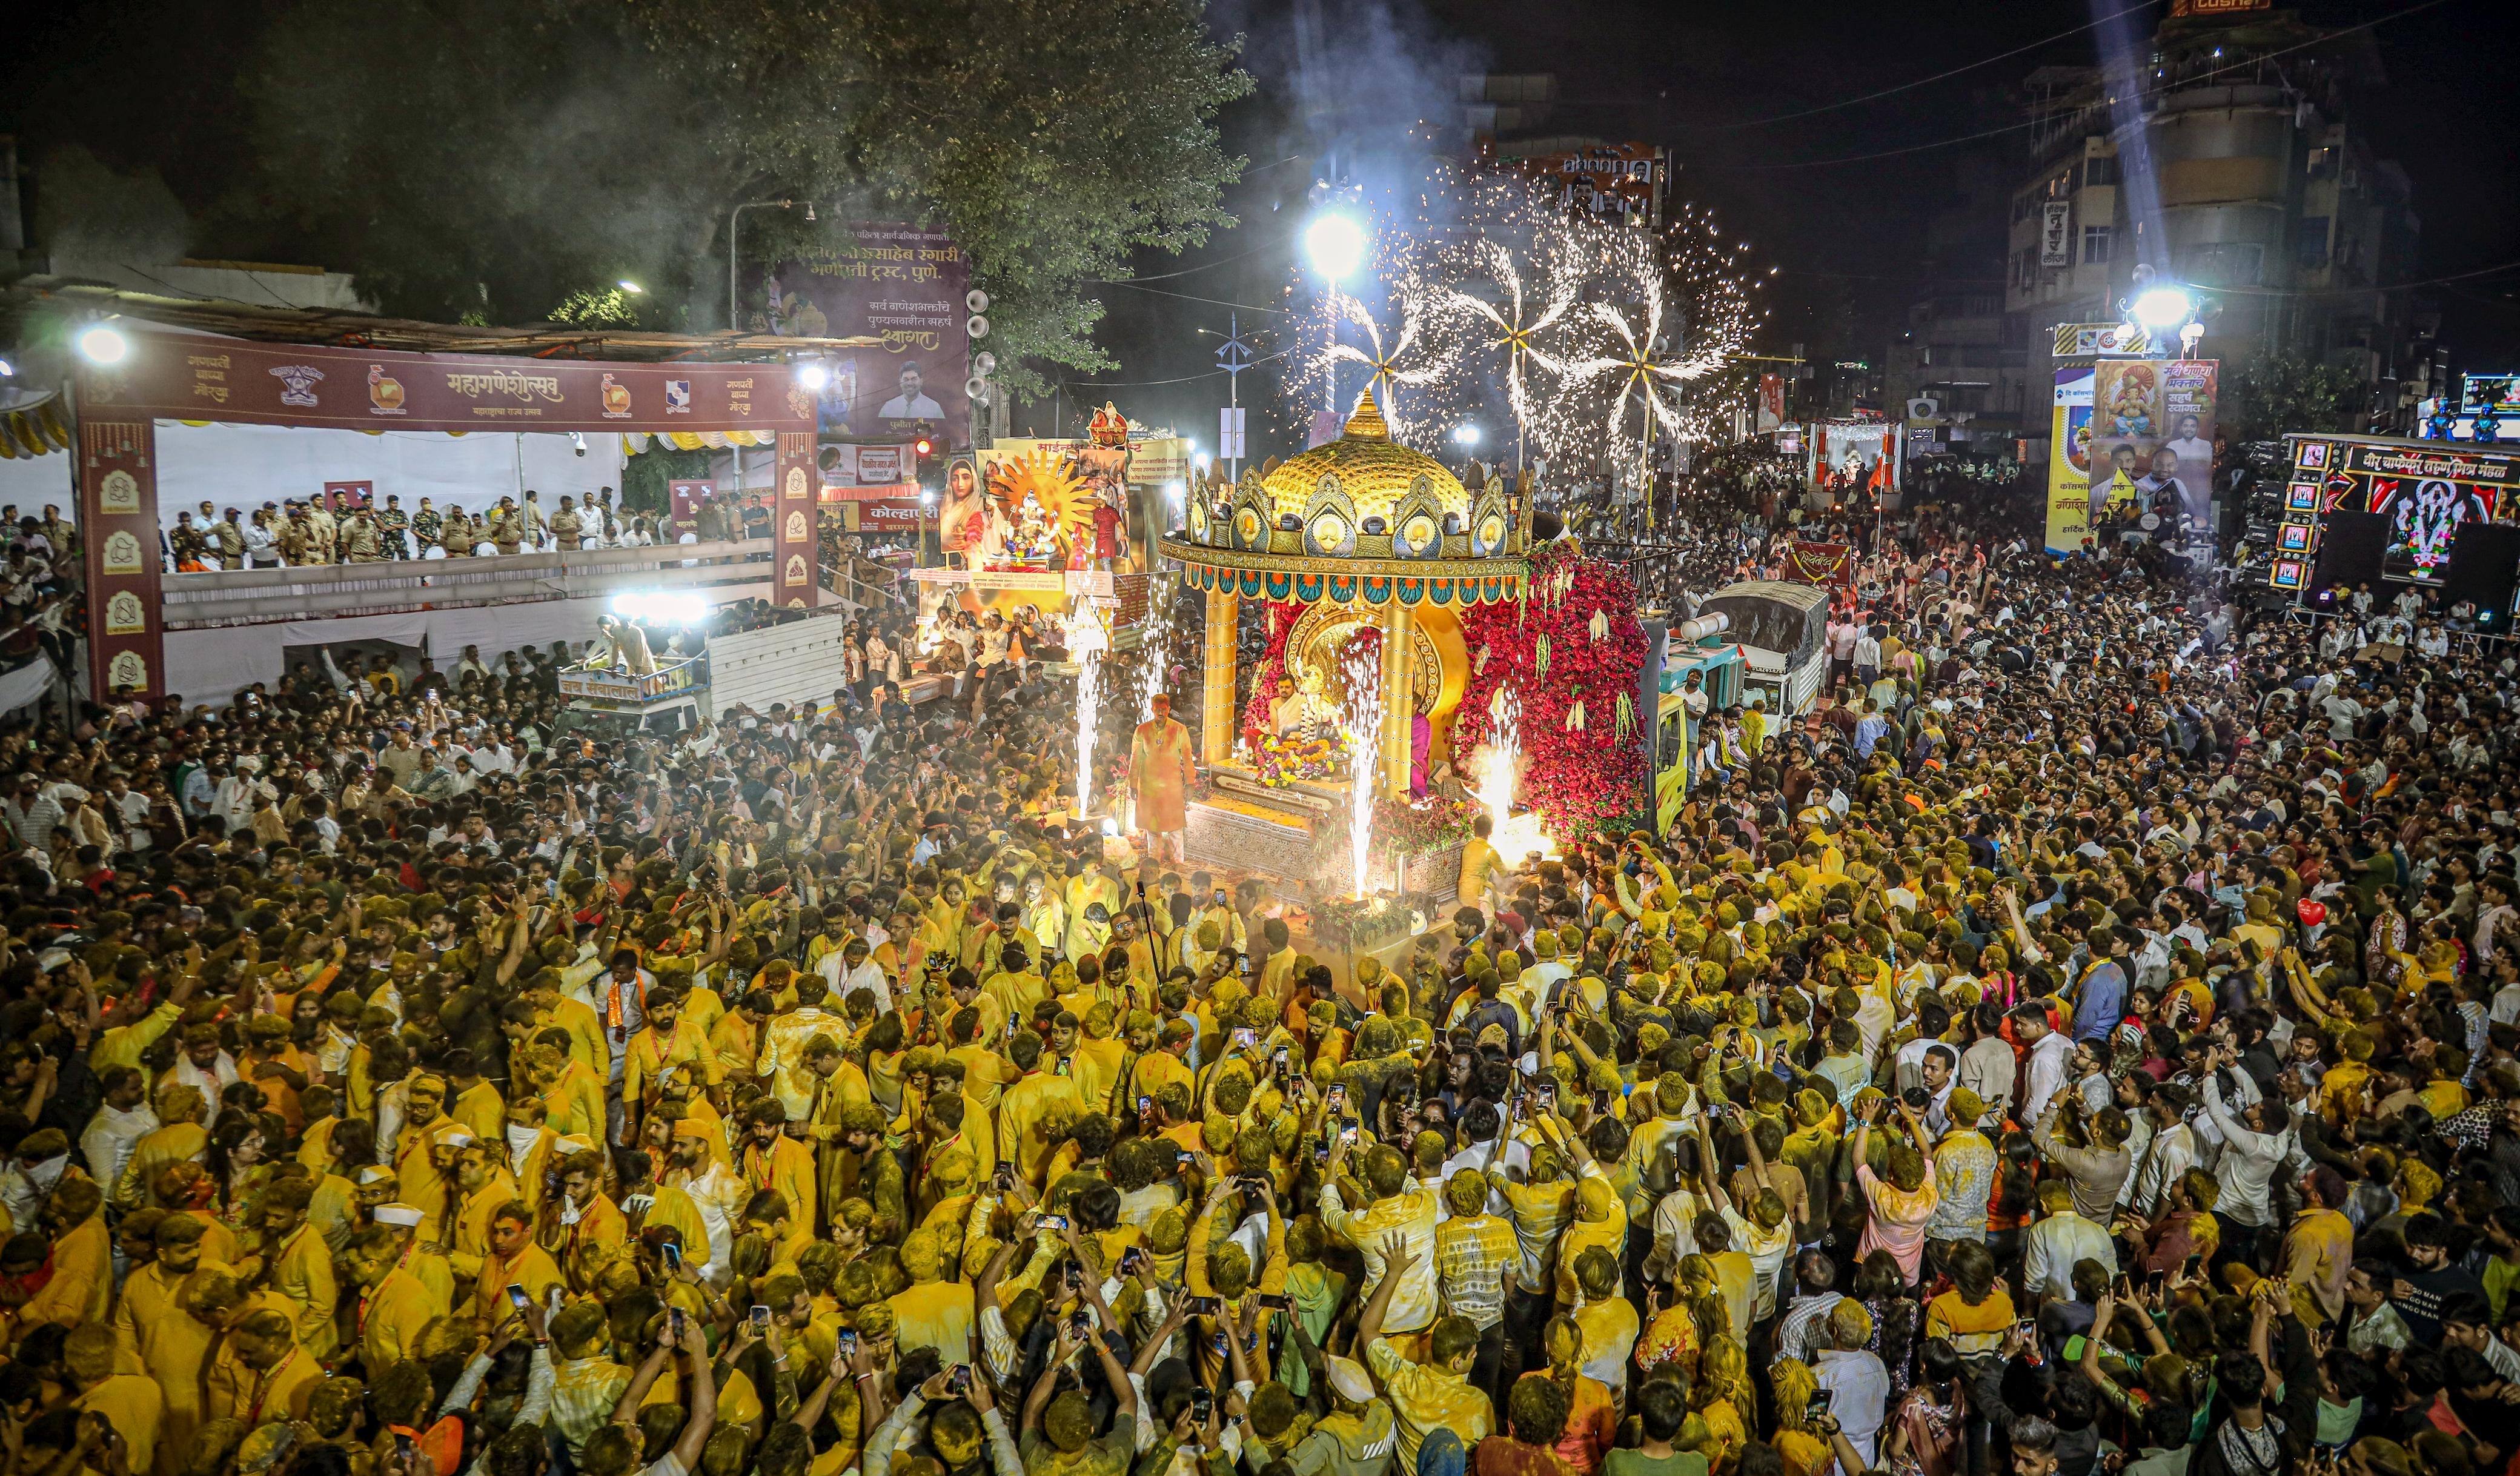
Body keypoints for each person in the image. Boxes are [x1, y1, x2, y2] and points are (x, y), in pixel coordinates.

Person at [877, 361, 945, 421]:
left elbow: (942, 433)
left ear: (921, 382)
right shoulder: (888, 407)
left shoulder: (934, 408)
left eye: (914, 379)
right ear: (900, 382)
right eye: (906, 379)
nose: (909, 383)